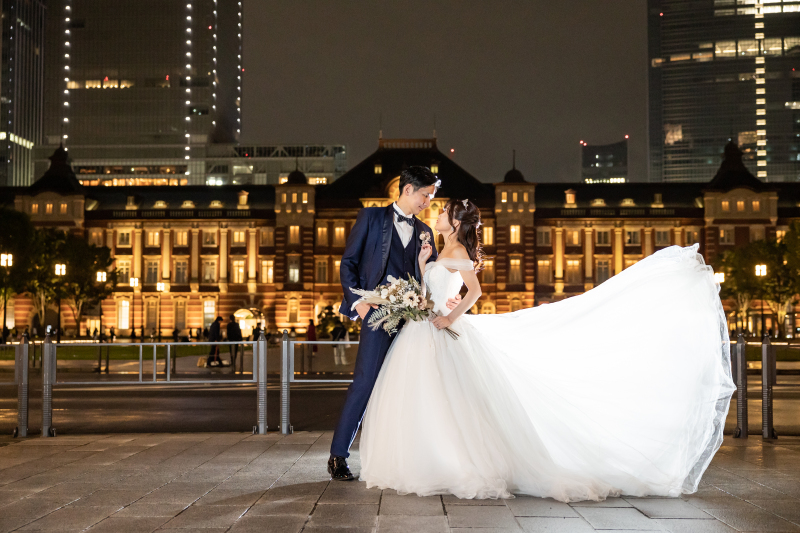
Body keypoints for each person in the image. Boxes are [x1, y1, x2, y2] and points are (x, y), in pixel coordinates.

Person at [355, 197, 736, 502]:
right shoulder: (443, 251)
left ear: (455, 223)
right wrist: (423, 267)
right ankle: (429, 457)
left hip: (438, 330)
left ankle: (453, 462)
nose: (436, 215)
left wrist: (449, 319)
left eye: (443, 212)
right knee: (431, 400)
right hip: (425, 329)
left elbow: (475, 292)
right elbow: (433, 292)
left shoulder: (459, 255)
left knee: (449, 400)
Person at [328, 166, 461, 481]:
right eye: (425, 195)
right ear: (407, 190)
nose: (428, 202)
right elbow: (348, 263)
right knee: (365, 382)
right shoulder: (371, 218)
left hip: (415, 321)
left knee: (412, 388)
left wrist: (446, 300)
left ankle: (409, 458)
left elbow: (429, 276)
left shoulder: (425, 231)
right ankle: (338, 456)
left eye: (432, 196)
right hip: (376, 315)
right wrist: (359, 303)